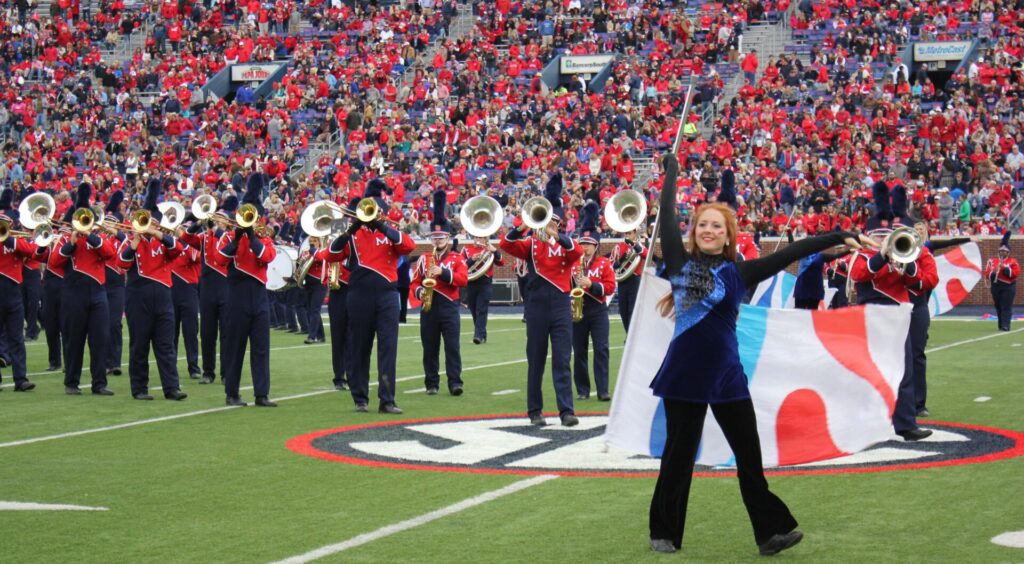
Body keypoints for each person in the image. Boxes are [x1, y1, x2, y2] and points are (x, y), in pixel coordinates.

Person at [647, 155, 865, 555]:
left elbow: (791, 253)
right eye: (702, 225)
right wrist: (672, 174)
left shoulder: (739, 273)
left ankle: (770, 534)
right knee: (677, 459)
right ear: (693, 233)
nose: (709, 230)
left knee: (749, 457)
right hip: (684, 376)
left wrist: (839, 234)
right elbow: (665, 219)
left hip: (727, 375)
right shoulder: (679, 264)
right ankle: (664, 531)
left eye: (717, 225)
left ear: (728, 236)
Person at [849, 181, 935, 441]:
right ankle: (865, 424)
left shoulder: (905, 256)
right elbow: (860, 274)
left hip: (898, 318)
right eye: (879, 236)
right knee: (871, 372)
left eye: (887, 237)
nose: (884, 240)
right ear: (869, 236)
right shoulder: (863, 254)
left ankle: (906, 424)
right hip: (873, 318)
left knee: (905, 370)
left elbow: (919, 282)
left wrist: (904, 264)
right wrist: (882, 255)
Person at [499, 173, 583, 427]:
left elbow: (576, 253)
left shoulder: (566, 244)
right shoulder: (531, 244)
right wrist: (523, 226)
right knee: (535, 358)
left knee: (561, 358)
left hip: (559, 304)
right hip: (536, 305)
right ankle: (535, 411)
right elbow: (506, 243)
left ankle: (566, 410)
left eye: (554, 223)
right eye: (548, 222)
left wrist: (558, 237)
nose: (549, 226)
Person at [330, 179, 415, 413]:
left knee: (388, 347)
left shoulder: (389, 231)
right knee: (359, 346)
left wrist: (381, 227)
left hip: (387, 295)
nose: (371, 213)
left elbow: (408, 246)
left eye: (376, 210)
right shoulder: (353, 234)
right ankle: (360, 398)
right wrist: (352, 229)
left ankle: (387, 399)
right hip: (359, 295)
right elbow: (331, 255)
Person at [115, 179, 188, 401]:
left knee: (166, 346)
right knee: (139, 345)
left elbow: (180, 249)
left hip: (164, 297)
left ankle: (171, 387)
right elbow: (121, 263)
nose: (148, 227)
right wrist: (134, 243)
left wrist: (160, 235)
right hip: (138, 298)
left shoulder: (164, 242)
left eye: (152, 224)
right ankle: (139, 388)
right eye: (146, 223)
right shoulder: (131, 242)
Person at [214, 174, 279, 407]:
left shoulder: (263, 239)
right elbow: (218, 258)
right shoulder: (230, 237)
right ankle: (232, 393)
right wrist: (238, 238)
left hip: (259, 296)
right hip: (236, 296)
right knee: (234, 347)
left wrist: (251, 237)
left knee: (261, 348)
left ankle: (262, 394)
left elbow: (267, 257)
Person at [52, 183, 116, 396]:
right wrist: (71, 241)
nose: (82, 223)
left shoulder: (97, 237)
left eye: (86, 219)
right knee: (74, 340)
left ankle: (99, 383)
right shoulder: (65, 238)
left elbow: (109, 253)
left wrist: (89, 235)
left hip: (97, 293)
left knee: (99, 339)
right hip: (73, 293)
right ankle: (71, 382)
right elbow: (54, 262)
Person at [911, 221, 971, 416]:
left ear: (926, 232)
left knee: (917, 354)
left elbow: (949, 243)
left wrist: (967, 238)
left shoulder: (927, 247)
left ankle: (919, 404)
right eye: (916, 229)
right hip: (901, 302)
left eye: (922, 230)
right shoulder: (903, 245)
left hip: (920, 296)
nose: (919, 232)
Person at [411, 191, 468, 395]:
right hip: (429, 307)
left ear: (448, 237)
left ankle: (455, 382)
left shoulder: (456, 257)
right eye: (435, 237)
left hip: (449, 306)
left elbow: (463, 280)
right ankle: (431, 383)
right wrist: (420, 293)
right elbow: (414, 282)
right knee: (430, 348)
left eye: (441, 237)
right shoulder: (424, 258)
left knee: (452, 347)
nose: (438, 240)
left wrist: (442, 272)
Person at [181, 195, 234, 385]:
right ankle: (208, 372)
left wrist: (215, 228)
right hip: (207, 289)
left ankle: (227, 372)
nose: (216, 220)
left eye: (220, 218)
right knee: (207, 333)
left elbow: (228, 247)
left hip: (226, 287)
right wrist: (197, 221)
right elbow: (186, 237)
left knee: (227, 332)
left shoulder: (230, 236)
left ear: (227, 222)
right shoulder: (204, 238)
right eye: (215, 217)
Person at [571, 201, 616, 401]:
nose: (584, 247)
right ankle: (582, 389)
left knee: (602, 349)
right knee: (579, 351)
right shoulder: (573, 264)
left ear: (596, 245)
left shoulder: (604, 263)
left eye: (588, 244)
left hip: (598, 310)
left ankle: (603, 389)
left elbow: (611, 287)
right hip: (579, 310)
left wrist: (592, 284)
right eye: (582, 244)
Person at [0, 188, 37, 391]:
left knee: (16, 337)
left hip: (14, 291)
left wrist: (9, 239)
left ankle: (20, 379)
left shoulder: (15, 240)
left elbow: (31, 251)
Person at [316, 235, 351, 391]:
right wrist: (331, 276)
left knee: (354, 338)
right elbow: (324, 278)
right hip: (337, 296)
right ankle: (339, 377)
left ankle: (353, 375)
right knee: (338, 339)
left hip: (353, 293)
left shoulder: (353, 252)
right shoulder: (330, 255)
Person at [788, 228, 851, 310]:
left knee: (804, 312)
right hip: (807, 289)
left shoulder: (806, 255)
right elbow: (792, 247)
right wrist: (849, 251)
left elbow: (792, 246)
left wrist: (789, 232)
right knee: (808, 312)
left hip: (808, 289)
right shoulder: (816, 256)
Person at [171, 223, 202, 380]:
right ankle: (171, 366)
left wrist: (182, 241)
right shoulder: (171, 247)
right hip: (171, 290)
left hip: (188, 290)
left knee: (190, 332)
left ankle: (193, 367)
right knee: (171, 332)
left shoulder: (191, 247)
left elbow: (195, 257)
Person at [462, 235, 505, 344]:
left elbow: (501, 262)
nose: (478, 240)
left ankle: (478, 336)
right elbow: (460, 265)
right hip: (471, 281)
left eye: (481, 238)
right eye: (476, 237)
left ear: (486, 239)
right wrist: (472, 260)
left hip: (485, 282)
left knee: (481, 309)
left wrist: (495, 251)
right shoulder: (466, 249)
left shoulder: (489, 249)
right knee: (473, 309)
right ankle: (482, 334)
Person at [103, 190, 127, 377]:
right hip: (101, 283)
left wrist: (117, 233)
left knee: (115, 323)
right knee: (100, 324)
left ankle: (115, 362)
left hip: (117, 284)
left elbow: (126, 247)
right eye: (107, 222)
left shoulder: (122, 239)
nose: (108, 226)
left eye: (112, 223)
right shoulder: (100, 238)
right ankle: (102, 361)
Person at [611, 227, 647, 333]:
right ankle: (629, 334)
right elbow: (611, 264)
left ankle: (632, 336)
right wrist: (619, 261)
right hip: (622, 280)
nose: (627, 235)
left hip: (634, 280)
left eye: (629, 233)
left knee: (633, 311)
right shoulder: (618, 247)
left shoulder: (639, 246)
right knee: (623, 311)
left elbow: (646, 254)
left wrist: (634, 245)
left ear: (635, 233)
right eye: (625, 233)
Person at [986, 232, 1019, 331]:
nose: (1002, 253)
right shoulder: (992, 261)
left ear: (1008, 252)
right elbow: (987, 273)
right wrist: (993, 272)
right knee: (998, 306)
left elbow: (1016, 273)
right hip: (996, 286)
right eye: (1001, 251)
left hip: (1008, 286)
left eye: (1004, 251)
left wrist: (1005, 269)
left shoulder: (1013, 261)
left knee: (1006, 306)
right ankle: (1001, 324)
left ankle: (1006, 325)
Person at [299, 236, 327, 344]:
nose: (312, 243)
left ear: (319, 242)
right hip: (308, 283)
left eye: (314, 241)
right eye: (310, 241)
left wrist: (313, 252)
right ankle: (321, 336)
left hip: (319, 284)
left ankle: (312, 336)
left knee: (315, 310)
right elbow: (300, 266)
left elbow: (321, 259)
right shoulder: (306, 252)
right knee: (311, 310)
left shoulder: (323, 251)